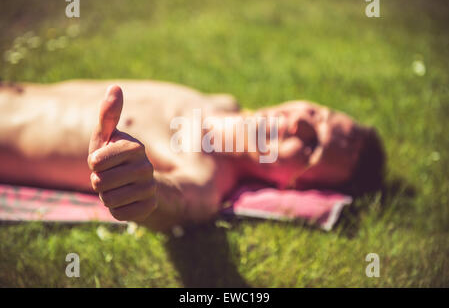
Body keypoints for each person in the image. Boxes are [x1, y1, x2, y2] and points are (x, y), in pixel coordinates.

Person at [0, 80, 384, 231]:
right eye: (317, 113)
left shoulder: (207, 175)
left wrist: (143, 190)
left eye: (311, 146)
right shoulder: (219, 100)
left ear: (292, 185)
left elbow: (175, 201)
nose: (300, 119)